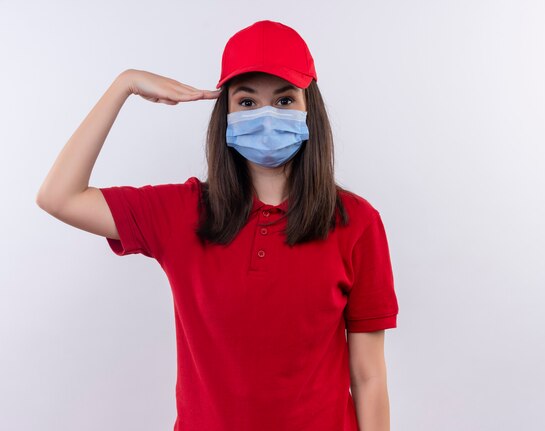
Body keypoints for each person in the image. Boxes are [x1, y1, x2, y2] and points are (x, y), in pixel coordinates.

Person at [36, 19, 399, 431]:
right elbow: (58, 197)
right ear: (224, 113)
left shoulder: (355, 222)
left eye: (284, 101)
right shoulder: (181, 212)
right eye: (247, 102)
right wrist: (125, 84)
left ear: (308, 109)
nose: (266, 116)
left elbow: (369, 376)